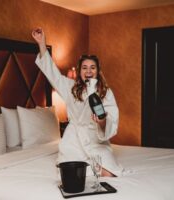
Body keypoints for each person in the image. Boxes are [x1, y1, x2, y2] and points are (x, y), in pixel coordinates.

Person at [32, 28, 125, 177]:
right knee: (68, 171)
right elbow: (52, 74)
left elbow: (112, 122)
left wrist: (101, 121)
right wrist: (42, 43)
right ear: (80, 71)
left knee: (112, 173)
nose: (88, 71)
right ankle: (83, 169)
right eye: (84, 67)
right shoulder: (70, 87)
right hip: (73, 142)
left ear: (98, 71)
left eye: (92, 67)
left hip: (96, 141)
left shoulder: (105, 92)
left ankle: (93, 169)